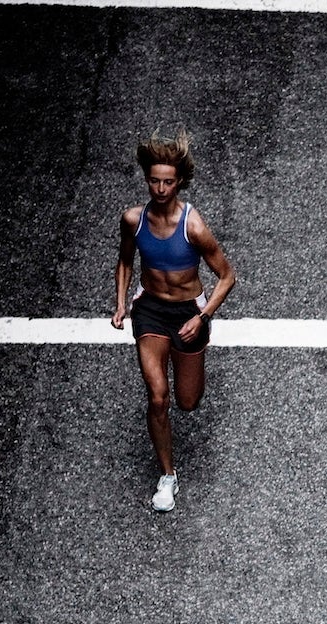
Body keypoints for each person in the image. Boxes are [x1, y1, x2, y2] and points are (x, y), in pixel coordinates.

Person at [111, 133, 237, 513]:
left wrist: (203, 317)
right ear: (146, 179)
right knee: (158, 396)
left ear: (179, 181)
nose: (161, 188)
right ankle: (168, 475)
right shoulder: (133, 220)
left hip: (188, 314)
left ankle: (193, 366)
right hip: (150, 310)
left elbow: (227, 276)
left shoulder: (193, 226)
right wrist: (121, 304)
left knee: (188, 401)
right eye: (154, 181)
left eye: (168, 181)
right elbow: (126, 261)